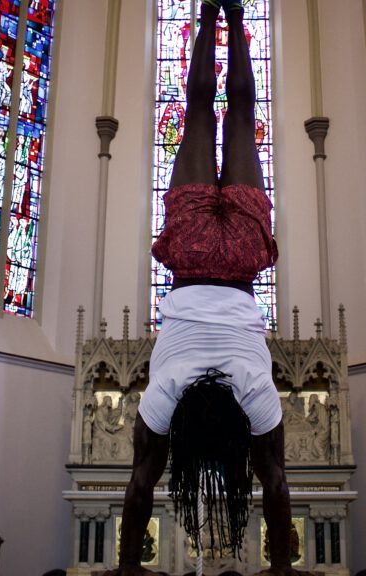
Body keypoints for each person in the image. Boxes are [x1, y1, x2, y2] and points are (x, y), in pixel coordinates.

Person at [106, 1, 301, 575]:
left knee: (239, 113)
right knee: (198, 112)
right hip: (192, 257)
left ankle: (230, 15)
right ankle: (217, 11)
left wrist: (282, 567)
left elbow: (276, 484)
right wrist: (127, 565)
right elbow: (141, 484)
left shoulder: (253, 396)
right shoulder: (166, 393)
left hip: (238, 262)